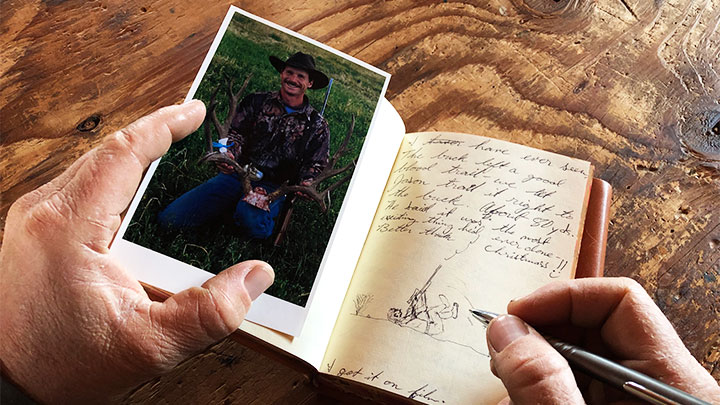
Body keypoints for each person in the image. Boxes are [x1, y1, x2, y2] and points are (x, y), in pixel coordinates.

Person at [1, 104, 718, 403]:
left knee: (252, 235)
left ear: (307, 87)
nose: (287, 84)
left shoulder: (314, 128)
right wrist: (227, 161)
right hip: (235, 185)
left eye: (295, 79)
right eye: (283, 76)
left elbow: (311, 175)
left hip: (268, 202)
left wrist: (276, 193)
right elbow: (226, 143)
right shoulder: (253, 102)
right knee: (171, 212)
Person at [157, 52, 331, 239]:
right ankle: (233, 204)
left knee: (252, 225)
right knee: (169, 219)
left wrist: (307, 183)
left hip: (274, 189)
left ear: (309, 84)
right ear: (282, 74)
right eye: (289, 72)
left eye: (300, 76)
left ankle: (243, 211)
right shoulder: (256, 101)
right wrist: (230, 153)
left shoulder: (317, 125)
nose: (293, 79)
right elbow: (235, 134)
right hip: (238, 174)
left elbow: (316, 164)